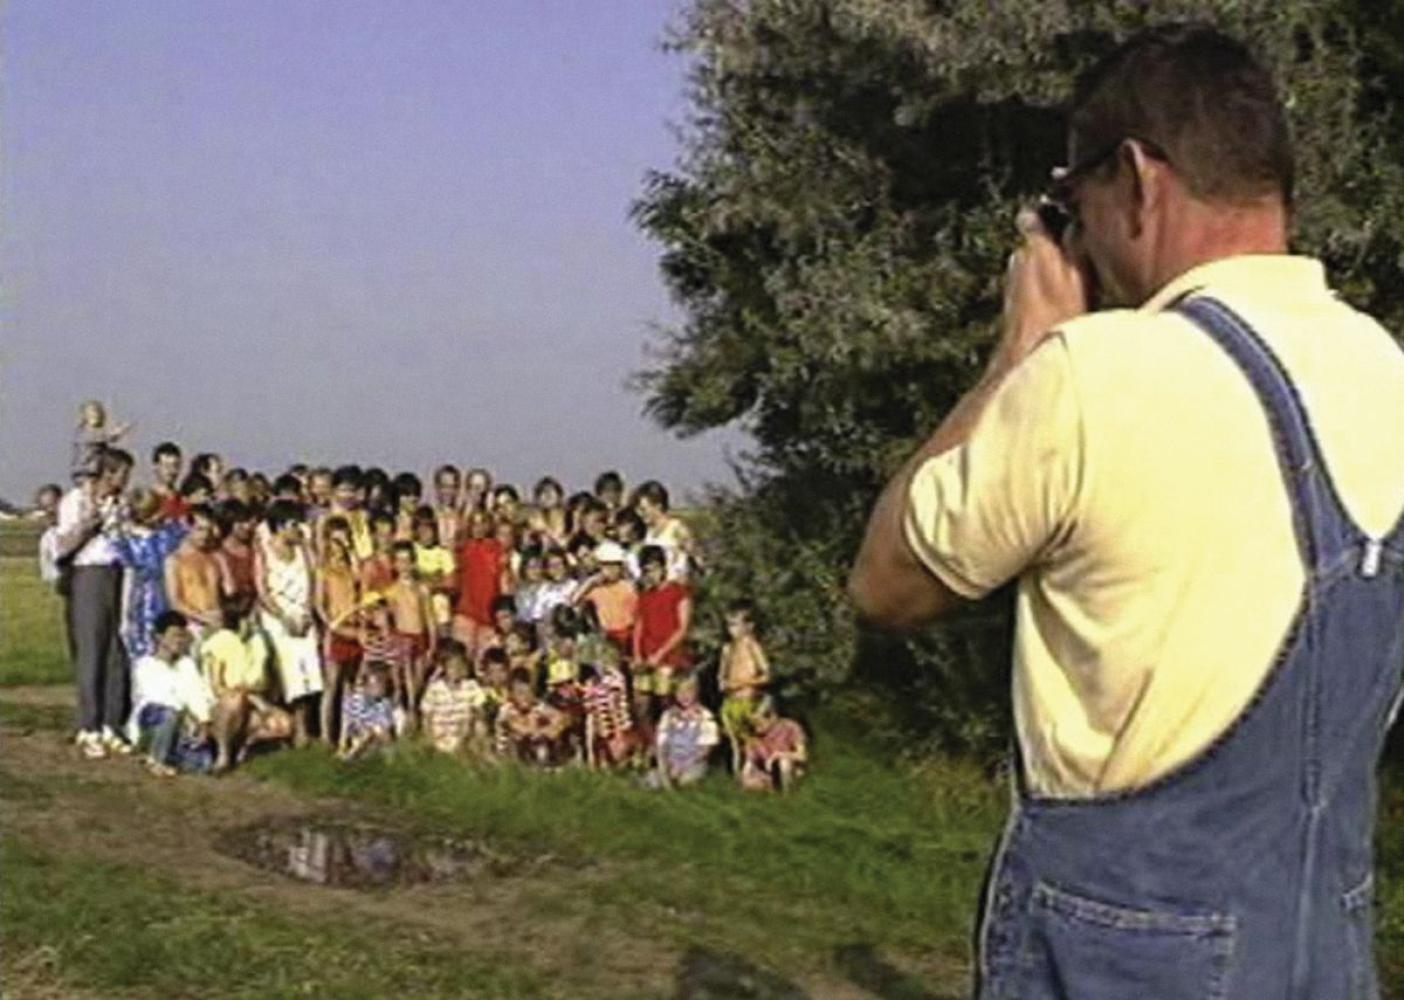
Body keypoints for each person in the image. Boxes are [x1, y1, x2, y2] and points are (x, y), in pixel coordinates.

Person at [846, 25, 1404, 998]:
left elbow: (886, 584)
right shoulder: (1386, 371)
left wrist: (1019, 351)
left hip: (1122, 951)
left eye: (1075, 202)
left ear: (1140, 179)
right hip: (1327, 947)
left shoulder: (1093, 376)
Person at [54, 446, 134, 759]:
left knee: (115, 650)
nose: (126, 481)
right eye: (123, 474)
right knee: (91, 650)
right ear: (109, 473)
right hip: (88, 572)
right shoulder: (75, 501)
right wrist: (89, 524)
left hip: (117, 572)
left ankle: (112, 722)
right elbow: (62, 546)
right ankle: (89, 725)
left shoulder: (120, 504)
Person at [201, 594, 292, 772]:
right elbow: (217, 687)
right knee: (235, 701)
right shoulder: (218, 641)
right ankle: (223, 754)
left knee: (285, 724)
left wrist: (255, 698)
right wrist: (247, 696)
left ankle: (246, 743)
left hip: (254, 700)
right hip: (225, 703)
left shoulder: (260, 641)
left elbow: (266, 681)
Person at [256, 500, 322, 744]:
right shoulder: (264, 552)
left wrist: (307, 612)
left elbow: (313, 580)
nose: (298, 529)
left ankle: (306, 726)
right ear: (281, 526)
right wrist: (283, 617)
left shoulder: (303, 550)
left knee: (310, 670)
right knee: (289, 669)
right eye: (294, 524)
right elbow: (263, 591)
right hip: (277, 617)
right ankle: (290, 728)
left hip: (303, 615)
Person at [127, 611, 214, 777]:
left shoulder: (187, 665)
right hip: (153, 721)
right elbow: (158, 699)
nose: (179, 641)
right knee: (168, 714)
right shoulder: (145, 665)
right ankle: (156, 759)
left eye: (182, 636)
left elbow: (198, 695)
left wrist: (203, 723)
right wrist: (186, 716)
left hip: (181, 726)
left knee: (203, 763)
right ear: (160, 638)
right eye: (174, 636)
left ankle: (168, 756)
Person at [106, 488, 187, 659]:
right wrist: (125, 616)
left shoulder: (167, 534)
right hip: (142, 598)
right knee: (143, 644)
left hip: (168, 591)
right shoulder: (128, 541)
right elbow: (129, 576)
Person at [631, 545, 693, 721]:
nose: (651, 575)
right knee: (641, 701)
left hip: (669, 655)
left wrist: (660, 654)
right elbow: (639, 626)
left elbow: (682, 628)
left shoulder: (678, 592)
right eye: (646, 571)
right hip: (647, 654)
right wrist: (637, 654)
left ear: (663, 567)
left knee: (665, 698)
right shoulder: (645, 596)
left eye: (654, 569)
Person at [315, 527, 362, 745]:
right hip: (335, 628)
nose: (340, 546)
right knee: (332, 684)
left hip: (353, 626)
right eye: (336, 540)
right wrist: (330, 625)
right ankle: (326, 735)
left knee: (350, 686)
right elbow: (319, 603)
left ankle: (346, 734)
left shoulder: (352, 569)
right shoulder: (323, 571)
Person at [717, 598, 770, 772]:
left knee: (752, 738)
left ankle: (758, 768)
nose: (730, 629)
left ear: (749, 626)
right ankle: (737, 770)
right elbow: (722, 674)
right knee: (734, 740)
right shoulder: (727, 649)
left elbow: (766, 675)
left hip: (748, 699)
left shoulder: (753, 646)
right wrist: (723, 682)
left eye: (735, 624)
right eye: (728, 625)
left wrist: (742, 683)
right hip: (731, 701)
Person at [386, 540, 435, 723]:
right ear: (394, 564)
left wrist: (433, 643)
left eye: (407, 561)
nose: (404, 566)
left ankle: (415, 714)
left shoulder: (422, 589)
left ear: (413, 563)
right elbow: (389, 620)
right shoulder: (392, 590)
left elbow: (429, 618)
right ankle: (408, 715)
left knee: (418, 680)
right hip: (402, 636)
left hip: (419, 636)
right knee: (405, 680)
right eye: (400, 561)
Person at [163, 504, 224, 641]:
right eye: (200, 529)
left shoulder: (214, 557)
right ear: (188, 528)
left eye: (209, 530)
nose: (205, 535)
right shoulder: (175, 560)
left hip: (218, 621)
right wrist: (203, 618)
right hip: (192, 625)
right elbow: (175, 602)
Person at [419, 639, 489, 755]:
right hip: (441, 733)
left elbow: (480, 710)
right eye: (452, 666)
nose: (456, 670)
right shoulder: (434, 688)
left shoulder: (471, 686)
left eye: (459, 665)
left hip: (463, 732)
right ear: (444, 668)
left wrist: (473, 721)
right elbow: (427, 716)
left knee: (479, 725)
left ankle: (474, 752)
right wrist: (429, 737)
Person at [649, 676, 719, 789]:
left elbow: (705, 750)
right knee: (655, 781)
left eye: (689, 692)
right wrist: (665, 766)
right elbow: (661, 744)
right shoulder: (669, 715)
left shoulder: (705, 716)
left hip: (693, 761)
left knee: (686, 781)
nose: (684, 696)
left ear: (696, 693)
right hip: (671, 760)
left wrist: (682, 766)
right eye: (680, 692)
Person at [494, 668, 570, 766]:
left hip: (533, 755)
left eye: (528, 692)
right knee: (531, 724)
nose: (525, 697)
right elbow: (522, 730)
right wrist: (541, 730)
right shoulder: (507, 710)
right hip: (509, 760)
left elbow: (562, 719)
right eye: (520, 693)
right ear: (512, 694)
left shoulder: (536, 706)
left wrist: (551, 728)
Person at [454, 508, 504, 654]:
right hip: (466, 610)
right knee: (461, 654)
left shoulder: (496, 549)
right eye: (475, 523)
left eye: (483, 523)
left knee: (484, 658)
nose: (479, 527)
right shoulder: (463, 548)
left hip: (489, 612)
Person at [575, 541, 638, 651]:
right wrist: (591, 582)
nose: (611, 570)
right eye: (607, 566)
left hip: (629, 634)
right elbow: (574, 600)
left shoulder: (628, 587)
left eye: (615, 566)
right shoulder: (596, 589)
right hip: (608, 636)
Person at [738, 697, 806, 793]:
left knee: (784, 762)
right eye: (753, 724)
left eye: (759, 723)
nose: (756, 728)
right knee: (748, 782)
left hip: (788, 767)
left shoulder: (790, 727)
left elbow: (802, 756)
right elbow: (749, 762)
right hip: (766, 773)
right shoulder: (754, 736)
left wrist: (778, 755)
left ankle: (787, 793)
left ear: (772, 717)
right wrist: (745, 775)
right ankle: (772, 790)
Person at [634, 481, 695, 580]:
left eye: (643, 509)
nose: (640, 514)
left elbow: (693, 558)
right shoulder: (647, 532)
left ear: (658, 505)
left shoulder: (677, 528)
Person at [338, 661, 395, 760]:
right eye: (379, 682)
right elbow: (347, 724)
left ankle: (351, 758)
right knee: (366, 733)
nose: (383, 687)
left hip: (376, 741)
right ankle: (349, 757)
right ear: (367, 685)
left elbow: (386, 732)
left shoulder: (384, 703)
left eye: (385, 682)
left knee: (376, 731)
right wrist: (342, 744)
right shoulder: (354, 700)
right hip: (358, 736)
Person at [215, 499, 258, 613]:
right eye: (241, 523)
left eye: (247, 521)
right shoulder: (218, 553)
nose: (247, 526)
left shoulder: (253, 549)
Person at [72, 399, 132, 478]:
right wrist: (119, 431)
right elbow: (108, 438)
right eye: (94, 413)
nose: (98, 416)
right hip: (85, 472)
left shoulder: (94, 432)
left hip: (95, 471)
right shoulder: (85, 432)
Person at [34, 483, 64, 590]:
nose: (49, 510)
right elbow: (48, 576)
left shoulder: (79, 527)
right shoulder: (47, 539)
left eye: (53, 505)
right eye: (44, 507)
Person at [149, 442, 187, 522]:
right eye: (166, 466)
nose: (171, 471)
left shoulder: (184, 500)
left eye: (175, 466)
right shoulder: (146, 499)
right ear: (155, 467)